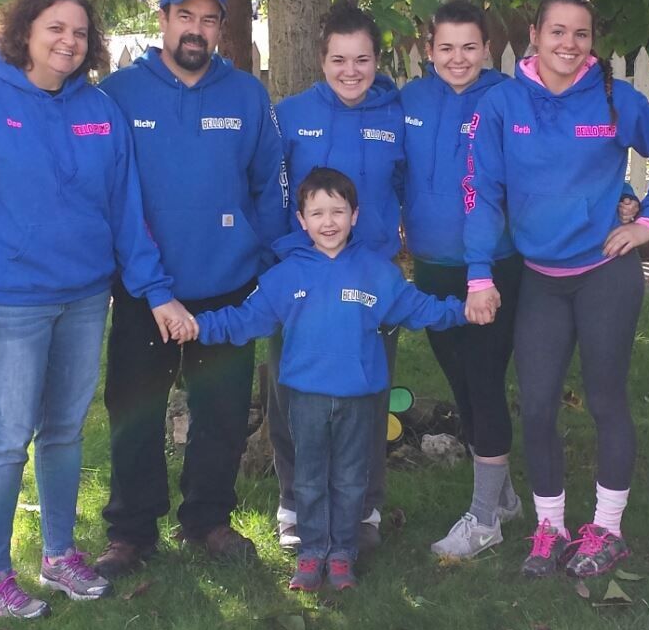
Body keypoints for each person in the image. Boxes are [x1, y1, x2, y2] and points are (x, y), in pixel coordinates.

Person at [0, 0, 189, 619]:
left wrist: (155, 290)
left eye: (79, 32)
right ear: (25, 31)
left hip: (83, 298)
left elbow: (126, 208)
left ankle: (58, 554)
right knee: (7, 437)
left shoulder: (99, 110)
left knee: (65, 433)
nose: (68, 41)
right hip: (9, 304)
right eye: (55, 28)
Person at [464, 0, 649, 578]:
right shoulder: (502, 104)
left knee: (605, 400)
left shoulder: (615, 100)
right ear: (533, 36)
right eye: (558, 31)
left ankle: (608, 530)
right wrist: (479, 272)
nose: (569, 44)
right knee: (537, 407)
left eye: (581, 33)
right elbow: (482, 191)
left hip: (604, 276)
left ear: (593, 43)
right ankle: (550, 527)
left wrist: (646, 222)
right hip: (541, 278)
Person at [184, 168, 468, 590]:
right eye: (317, 213)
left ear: (355, 215)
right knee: (310, 476)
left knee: (353, 476)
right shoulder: (286, 276)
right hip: (305, 397)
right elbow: (244, 319)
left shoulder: (377, 273)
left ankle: (342, 554)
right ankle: (312, 550)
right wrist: (195, 326)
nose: (329, 221)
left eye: (338, 211)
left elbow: (420, 308)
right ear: (301, 220)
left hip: (360, 397)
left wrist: (467, 309)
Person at [92, 0, 287, 577]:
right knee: (135, 412)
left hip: (227, 290)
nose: (196, 30)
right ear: (164, 18)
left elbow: (270, 186)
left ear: (221, 29)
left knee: (223, 415)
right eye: (186, 16)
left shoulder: (247, 96)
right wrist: (149, 285)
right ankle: (131, 531)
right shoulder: (120, 94)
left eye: (209, 20)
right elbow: (113, 199)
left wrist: (264, 264)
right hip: (144, 291)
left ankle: (207, 520)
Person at [270, 0, 405, 551]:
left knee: (369, 392)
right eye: (339, 60)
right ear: (321, 60)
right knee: (291, 393)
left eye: (363, 60)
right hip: (301, 279)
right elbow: (270, 193)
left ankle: (363, 509)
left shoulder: (397, 116)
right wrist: (282, 255)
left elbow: (414, 188)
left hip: (371, 282)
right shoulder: (290, 115)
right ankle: (294, 507)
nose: (351, 71)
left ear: (377, 61)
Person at [400, 0, 525, 558]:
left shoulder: (506, 97)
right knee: (460, 384)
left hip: (492, 270)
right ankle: (505, 498)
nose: (458, 58)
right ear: (429, 51)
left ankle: (483, 520)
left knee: (483, 380)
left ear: (487, 49)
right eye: (446, 47)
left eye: (469, 46)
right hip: (430, 270)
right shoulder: (409, 99)